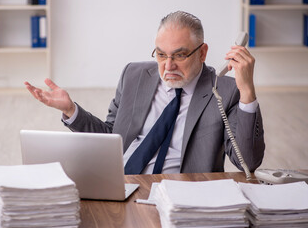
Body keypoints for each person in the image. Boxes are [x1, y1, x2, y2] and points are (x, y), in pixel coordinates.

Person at [25, 11, 265, 175]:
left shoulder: (225, 91)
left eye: (179, 55)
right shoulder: (134, 75)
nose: (168, 66)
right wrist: (71, 110)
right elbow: (112, 137)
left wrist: (247, 92)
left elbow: (248, 162)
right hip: (120, 183)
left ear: (202, 53)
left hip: (180, 193)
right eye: (161, 54)